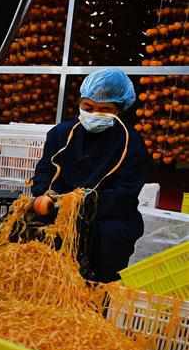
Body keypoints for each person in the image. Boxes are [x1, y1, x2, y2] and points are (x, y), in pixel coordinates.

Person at [30, 68, 149, 283]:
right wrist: (43, 194)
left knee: (110, 238)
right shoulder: (61, 134)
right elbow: (45, 171)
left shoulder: (131, 143)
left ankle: (96, 298)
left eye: (105, 109)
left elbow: (125, 193)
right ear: (80, 104)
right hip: (57, 210)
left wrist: (78, 205)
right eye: (88, 107)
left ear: (119, 110)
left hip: (107, 217)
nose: (94, 114)